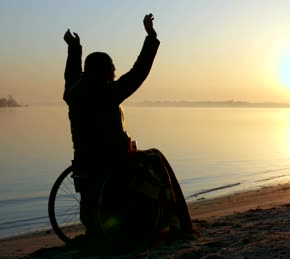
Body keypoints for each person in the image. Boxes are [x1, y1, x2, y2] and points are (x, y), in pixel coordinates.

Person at [63, 13, 195, 243]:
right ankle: (170, 221)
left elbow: (71, 74)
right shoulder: (107, 93)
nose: (114, 72)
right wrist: (151, 38)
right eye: (111, 67)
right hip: (113, 159)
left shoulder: (74, 92)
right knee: (156, 159)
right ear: (102, 70)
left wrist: (74, 49)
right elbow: (138, 72)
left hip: (85, 158)